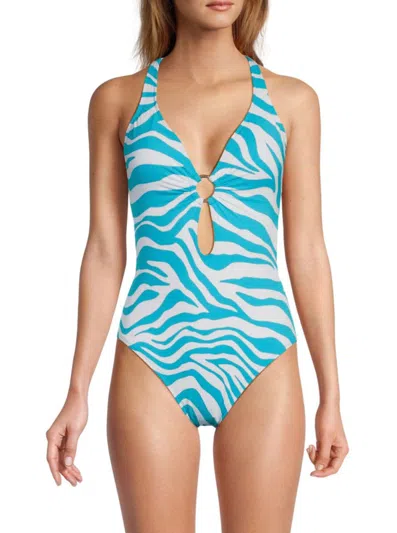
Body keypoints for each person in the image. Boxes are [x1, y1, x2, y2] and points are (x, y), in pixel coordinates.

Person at [46, 1, 349, 531]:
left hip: (261, 353)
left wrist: (332, 395)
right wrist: (76, 392)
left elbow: (307, 250)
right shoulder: (116, 100)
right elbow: (104, 250)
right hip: (151, 351)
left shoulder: (293, 101)